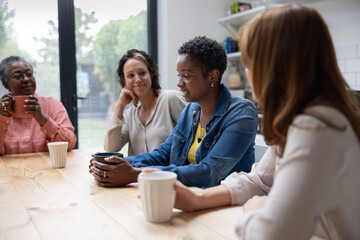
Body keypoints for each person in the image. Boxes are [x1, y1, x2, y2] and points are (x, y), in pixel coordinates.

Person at [173, 4, 360, 240]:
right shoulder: (304, 119)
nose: (248, 73)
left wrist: (254, 210)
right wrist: (197, 199)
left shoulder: (316, 127)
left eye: (250, 64)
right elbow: (260, 181)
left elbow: (269, 234)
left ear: (272, 67)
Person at [89, 36, 258, 188]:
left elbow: (210, 172)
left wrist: (135, 174)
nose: (179, 83)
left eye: (186, 75)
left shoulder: (241, 113)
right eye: (179, 75)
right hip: (188, 199)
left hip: (225, 207)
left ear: (212, 76)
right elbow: (163, 154)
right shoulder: (192, 110)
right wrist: (113, 163)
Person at [104, 49, 186, 156]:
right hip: (137, 173)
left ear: (151, 74)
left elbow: (197, 134)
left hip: (168, 172)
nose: (137, 79)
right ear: (124, 81)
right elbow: (111, 148)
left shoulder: (170, 99)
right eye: (130, 75)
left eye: (142, 73)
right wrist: (120, 105)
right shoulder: (130, 114)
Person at [0, 56, 77, 155]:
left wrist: (42, 118)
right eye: (18, 76)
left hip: (47, 169)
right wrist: (2, 117)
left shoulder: (52, 105)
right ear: (5, 83)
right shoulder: (1, 111)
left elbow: (69, 144)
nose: (26, 79)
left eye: (29, 74)